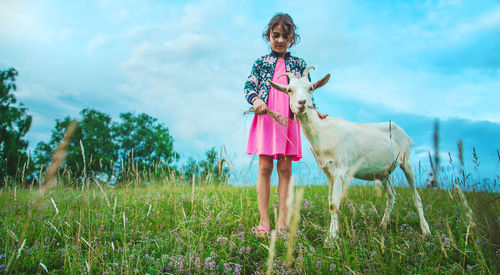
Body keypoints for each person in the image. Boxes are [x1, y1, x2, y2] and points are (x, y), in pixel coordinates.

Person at [244, 13, 327, 236]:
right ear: (268, 36)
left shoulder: (299, 65)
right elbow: (249, 85)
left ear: (292, 38)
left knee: (285, 168)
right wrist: (257, 100)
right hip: (267, 117)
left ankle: (282, 223)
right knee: (264, 167)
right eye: (275, 35)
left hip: (289, 121)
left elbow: (306, 92)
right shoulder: (261, 63)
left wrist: (314, 111)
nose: (280, 40)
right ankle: (263, 222)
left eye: (285, 36)